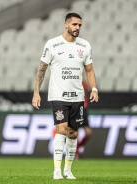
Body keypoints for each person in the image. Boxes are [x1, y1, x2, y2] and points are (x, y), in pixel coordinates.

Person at [32, 13, 98, 180]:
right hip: (58, 95)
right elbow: (42, 69)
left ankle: (68, 170)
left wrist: (94, 88)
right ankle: (56, 170)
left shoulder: (84, 45)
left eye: (80, 25)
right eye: (75, 24)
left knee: (73, 133)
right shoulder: (53, 44)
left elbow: (89, 70)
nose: (77, 28)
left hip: (78, 97)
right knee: (60, 130)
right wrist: (36, 92)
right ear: (66, 25)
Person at [75, 80, 92, 158]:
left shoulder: (82, 82)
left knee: (88, 133)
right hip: (75, 108)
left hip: (83, 109)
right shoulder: (71, 81)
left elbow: (90, 89)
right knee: (75, 132)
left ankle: (78, 147)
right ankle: (76, 153)